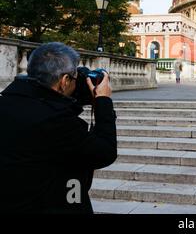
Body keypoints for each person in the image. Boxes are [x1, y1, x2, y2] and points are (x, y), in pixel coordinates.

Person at [0, 42, 117, 214]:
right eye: (75, 77)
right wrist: (103, 102)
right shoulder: (57, 121)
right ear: (64, 81)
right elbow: (104, 152)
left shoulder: (6, 103)